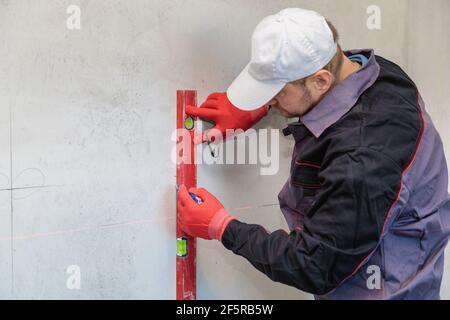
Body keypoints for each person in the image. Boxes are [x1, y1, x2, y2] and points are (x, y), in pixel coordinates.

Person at [177, 8, 450, 299]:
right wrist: (264, 106)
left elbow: (315, 265)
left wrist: (221, 225)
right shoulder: (378, 73)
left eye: (277, 91)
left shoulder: (365, 159)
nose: (270, 99)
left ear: (320, 81)